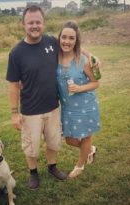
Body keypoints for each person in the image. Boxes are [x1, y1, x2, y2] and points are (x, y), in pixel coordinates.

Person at [6, 5, 68, 189]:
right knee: (31, 146)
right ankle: (33, 173)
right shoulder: (16, 53)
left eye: (38, 22)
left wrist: (92, 56)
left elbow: (72, 48)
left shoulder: (52, 43)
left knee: (53, 141)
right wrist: (14, 113)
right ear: (23, 24)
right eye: (30, 22)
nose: (34, 25)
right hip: (30, 110)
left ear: (43, 23)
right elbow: (13, 85)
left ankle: (52, 167)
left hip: (53, 106)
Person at [56, 21, 100, 178]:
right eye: (64, 37)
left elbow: (96, 82)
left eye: (71, 38)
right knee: (69, 139)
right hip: (67, 107)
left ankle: (80, 166)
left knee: (86, 136)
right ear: (59, 38)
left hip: (85, 106)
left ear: (76, 41)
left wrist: (79, 88)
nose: (67, 41)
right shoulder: (55, 57)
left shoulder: (83, 61)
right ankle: (90, 149)